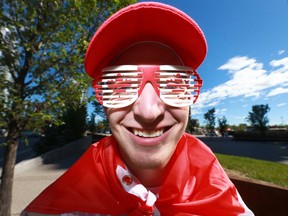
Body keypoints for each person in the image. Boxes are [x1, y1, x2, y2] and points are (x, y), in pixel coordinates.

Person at [22, 2, 254, 215]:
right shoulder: (58, 208)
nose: (148, 112)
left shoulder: (222, 194)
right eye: (122, 85)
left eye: (173, 84)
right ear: (104, 105)